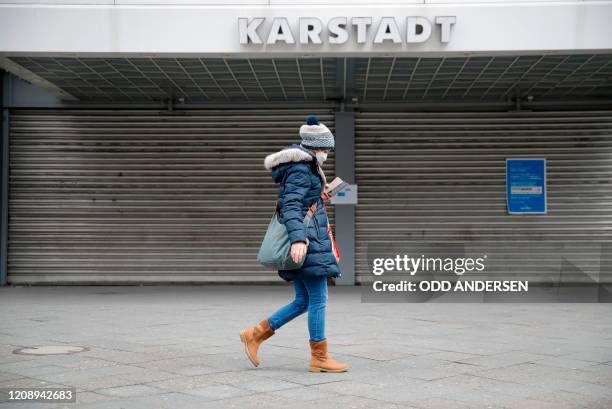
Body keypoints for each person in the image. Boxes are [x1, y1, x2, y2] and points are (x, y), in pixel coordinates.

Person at [239, 115, 348, 373]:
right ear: (315, 147)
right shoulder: (301, 168)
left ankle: (255, 334)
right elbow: (290, 206)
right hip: (307, 242)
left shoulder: (305, 167)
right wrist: (299, 239)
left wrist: (322, 195)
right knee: (318, 299)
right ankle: (319, 358)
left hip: (308, 238)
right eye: (325, 149)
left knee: (303, 300)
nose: (327, 155)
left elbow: (300, 201)